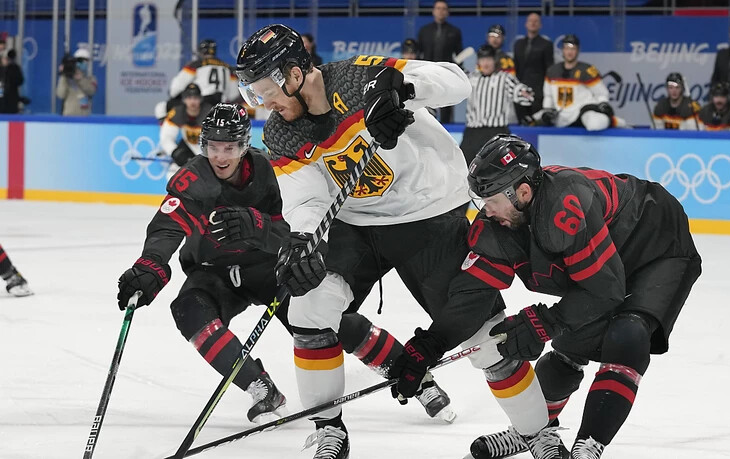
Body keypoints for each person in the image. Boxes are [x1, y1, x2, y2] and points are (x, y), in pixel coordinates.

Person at [235, 24, 501, 459]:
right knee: (307, 307)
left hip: (431, 214)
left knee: (487, 338)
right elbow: (306, 194)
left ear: (295, 74)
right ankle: (329, 431)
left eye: (266, 89)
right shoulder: (282, 132)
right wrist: (303, 236)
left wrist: (404, 86)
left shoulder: (361, 78)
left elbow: (457, 81)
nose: (264, 102)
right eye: (253, 93)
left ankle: (538, 429)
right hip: (357, 224)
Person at [465, 134, 702, 459]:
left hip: (656, 244)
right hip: (608, 258)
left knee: (628, 334)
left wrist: (544, 322)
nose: (484, 211)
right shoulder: (527, 209)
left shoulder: (565, 201)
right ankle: (532, 430)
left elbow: (604, 290)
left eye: (490, 199)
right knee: (570, 346)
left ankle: (588, 446)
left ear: (521, 191)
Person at [117, 104, 293, 423]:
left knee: (326, 320)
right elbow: (167, 226)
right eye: (213, 147)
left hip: (270, 269)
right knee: (189, 309)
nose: (220, 157)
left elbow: (292, 231)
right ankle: (259, 385)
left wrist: (259, 228)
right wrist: (150, 265)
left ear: (243, 145)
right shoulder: (192, 179)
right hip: (215, 273)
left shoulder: (272, 172)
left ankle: (405, 367)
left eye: (229, 148)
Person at [460, 45, 533, 165]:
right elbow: (453, 82)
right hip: (472, 133)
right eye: (483, 59)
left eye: (489, 59)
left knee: (501, 169)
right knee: (464, 167)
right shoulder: (471, 78)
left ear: (495, 60)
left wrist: (524, 92)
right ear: (478, 61)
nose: (486, 63)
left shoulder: (504, 78)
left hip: (497, 132)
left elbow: (519, 90)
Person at [535, 35, 623, 131]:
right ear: (563, 50)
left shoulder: (587, 70)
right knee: (534, 120)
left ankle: (614, 121)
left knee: (594, 124)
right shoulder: (552, 71)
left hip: (583, 111)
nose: (570, 52)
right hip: (561, 115)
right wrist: (548, 109)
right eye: (567, 48)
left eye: (573, 49)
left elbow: (601, 93)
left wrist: (603, 103)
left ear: (578, 50)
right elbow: (548, 96)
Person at [417, 0, 463, 123]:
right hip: (427, 74)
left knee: (446, 104)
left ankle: (446, 127)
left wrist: (457, 72)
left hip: (445, 75)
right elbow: (418, 54)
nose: (441, 11)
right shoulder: (424, 31)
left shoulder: (455, 31)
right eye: (438, 8)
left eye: (444, 8)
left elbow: (459, 55)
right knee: (426, 104)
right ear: (433, 11)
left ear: (447, 12)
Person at [168, 39, 238, 108]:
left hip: (202, 104)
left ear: (201, 51)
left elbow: (178, 85)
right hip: (222, 104)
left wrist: (173, 95)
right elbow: (234, 94)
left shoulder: (195, 65)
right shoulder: (227, 67)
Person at [159, 83, 213, 171]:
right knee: (173, 172)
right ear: (184, 100)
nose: (192, 102)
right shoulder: (177, 113)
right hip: (189, 149)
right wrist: (175, 152)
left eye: (195, 98)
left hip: (209, 154)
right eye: (189, 98)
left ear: (200, 99)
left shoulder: (210, 114)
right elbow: (166, 137)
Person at [513, 13, 554, 124]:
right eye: (530, 20)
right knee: (522, 123)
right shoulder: (518, 44)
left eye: (536, 21)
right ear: (526, 24)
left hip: (538, 92)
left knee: (536, 122)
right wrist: (518, 88)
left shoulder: (546, 44)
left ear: (540, 25)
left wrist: (544, 92)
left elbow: (549, 69)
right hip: (521, 90)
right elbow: (516, 67)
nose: (533, 23)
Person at [56, 48, 97, 116]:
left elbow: (91, 91)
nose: (83, 63)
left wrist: (81, 79)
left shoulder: (91, 79)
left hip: (84, 117)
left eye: (85, 61)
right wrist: (63, 75)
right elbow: (61, 95)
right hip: (69, 117)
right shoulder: (67, 78)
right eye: (80, 60)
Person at [0, 49, 24, 114]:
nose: (7, 60)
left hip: (12, 99)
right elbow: (1, 86)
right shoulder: (1, 70)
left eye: (8, 59)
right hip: (2, 100)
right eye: (5, 58)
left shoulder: (15, 68)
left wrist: (10, 70)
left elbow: (20, 81)